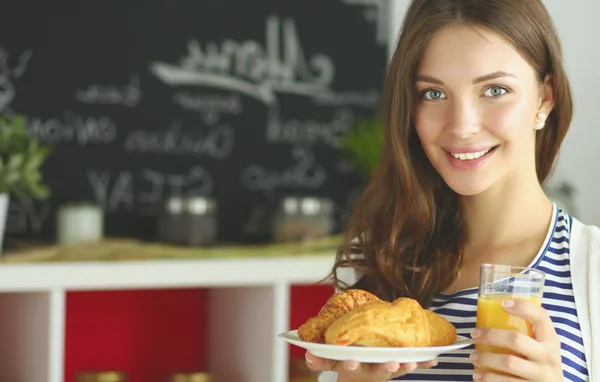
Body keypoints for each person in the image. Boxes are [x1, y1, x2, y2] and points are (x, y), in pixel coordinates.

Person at [305, 0, 600, 381]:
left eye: (495, 90)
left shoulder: (591, 270)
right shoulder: (383, 263)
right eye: (433, 93)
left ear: (545, 99)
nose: (461, 126)